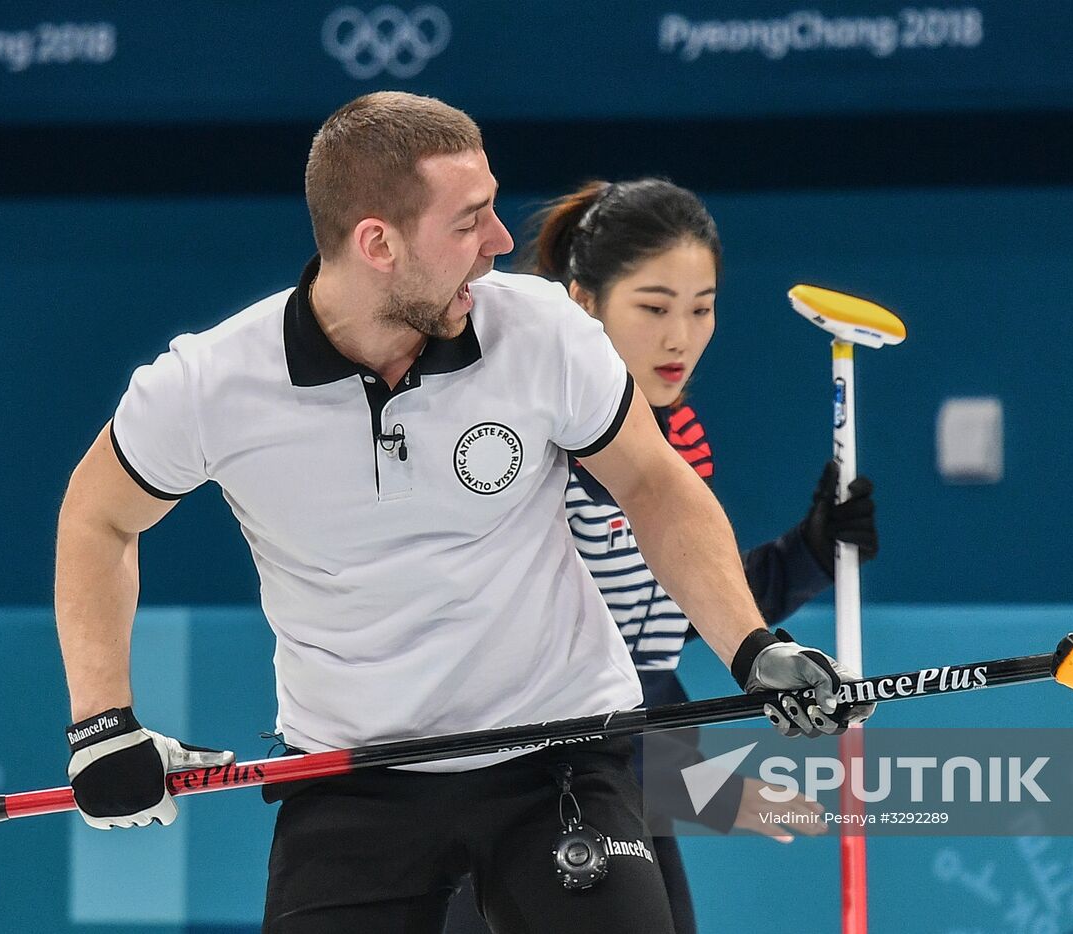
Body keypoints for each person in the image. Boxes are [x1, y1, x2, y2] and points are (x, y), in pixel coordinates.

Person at [53, 92, 870, 934]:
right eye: (469, 221)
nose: (502, 242)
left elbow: (655, 485)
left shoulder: (541, 329)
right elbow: (97, 518)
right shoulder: (209, 383)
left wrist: (753, 645)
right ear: (378, 243)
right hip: (350, 780)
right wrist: (103, 723)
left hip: (558, 759)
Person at [441, 180, 879, 934]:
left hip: (629, 784)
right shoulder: (533, 451)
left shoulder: (676, 442)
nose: (681, 337)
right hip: (522, 802)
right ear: (582, 304)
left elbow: (678, 611)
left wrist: (812, 550)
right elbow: (532, 687)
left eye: (700, 307)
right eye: (653, 307)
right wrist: (697, 787)